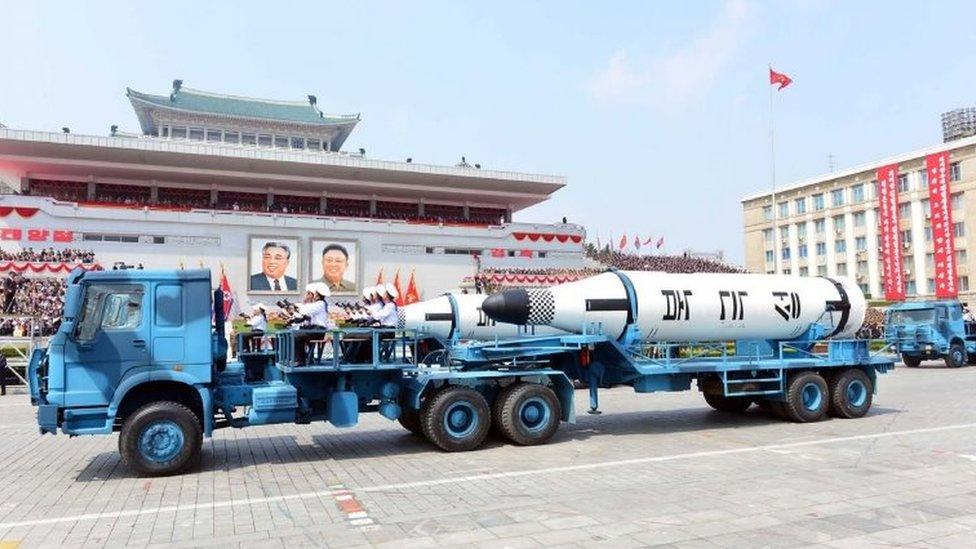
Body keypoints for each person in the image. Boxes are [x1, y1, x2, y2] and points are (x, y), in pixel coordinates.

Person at [288, 283, 332, 365]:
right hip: (314, 329)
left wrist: (299, 305)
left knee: (296, 336)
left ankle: (300, 361)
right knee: (297, 334)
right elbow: (306, 314)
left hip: (318, 330)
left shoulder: (320, 304)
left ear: (317, 294)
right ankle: (302, 359)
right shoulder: (320, 304)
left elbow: (305, 311)